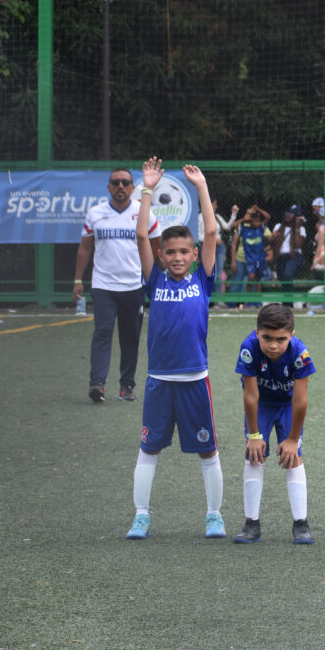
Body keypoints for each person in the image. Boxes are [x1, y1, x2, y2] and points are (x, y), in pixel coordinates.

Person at [124, 157, 224, 540]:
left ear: (194, 255)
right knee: (149, 450)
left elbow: (212, 232)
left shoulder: (204, 279)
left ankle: (214, 515)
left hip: (195, 379)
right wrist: (147, 189)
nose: (178, 257)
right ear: (162, 256)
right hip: (158, 381)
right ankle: (141, 516)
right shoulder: (154, 280)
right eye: (171, 252)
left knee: (207, 451)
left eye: (185, 251)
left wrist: (201, 188)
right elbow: (140, 235)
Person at [73, 168, 161, 403]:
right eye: (116, 182)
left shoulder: (144, 214)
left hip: (134, 286)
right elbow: (85, 248)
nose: (120, 186)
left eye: (125, 182)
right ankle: (97, 384)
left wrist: (157, 280)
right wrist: (77, 279)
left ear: (133, 187)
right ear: (109, 187)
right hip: (103, 285)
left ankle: (126, 386)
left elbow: (156, 249)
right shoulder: (95, 214)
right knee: (102, 333)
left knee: (130, 337)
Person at [232, 303, 317, 545]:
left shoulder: (300, 353)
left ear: (291, 335)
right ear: (256, 331)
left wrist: (291, 440)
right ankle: (251, 523)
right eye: (266, 337)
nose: (273, 345)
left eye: (281, 339)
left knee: (293, 458)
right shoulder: (249, 348)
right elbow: (250, 395)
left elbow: (300, 401)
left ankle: (301, 523)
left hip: (289, 405)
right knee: (254, 456)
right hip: (261, 405)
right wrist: (254, 434)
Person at [230, 205, 272, 305]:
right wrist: (244, 219)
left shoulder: (261, 227)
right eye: (249, 214)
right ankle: (247, 300)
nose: (257, 223)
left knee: (258, 280)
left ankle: (257, 301)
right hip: (248, 259)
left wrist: (258, 209)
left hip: (260, 258)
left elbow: (268, 217)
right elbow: (232, 227)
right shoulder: (243, 227)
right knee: (249, 278)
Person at [271, 205, 306, 297]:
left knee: (287, 274)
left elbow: (298, 244)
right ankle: (287, 300)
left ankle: (288, 301)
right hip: (281, 256)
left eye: (291, 214)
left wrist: (297, 227)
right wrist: (273, 238)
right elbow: (272, 244)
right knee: (281, 277)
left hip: (294, 256)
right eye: (287, 213)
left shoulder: (301, 229)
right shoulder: (278, 226)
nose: (287, 215)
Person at [310, 197, 325, 274]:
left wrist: (315, 260)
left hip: (323, 255)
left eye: (315, 209)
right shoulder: (321, 225)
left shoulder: (323, 227)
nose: (313, 212)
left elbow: (320, 246)